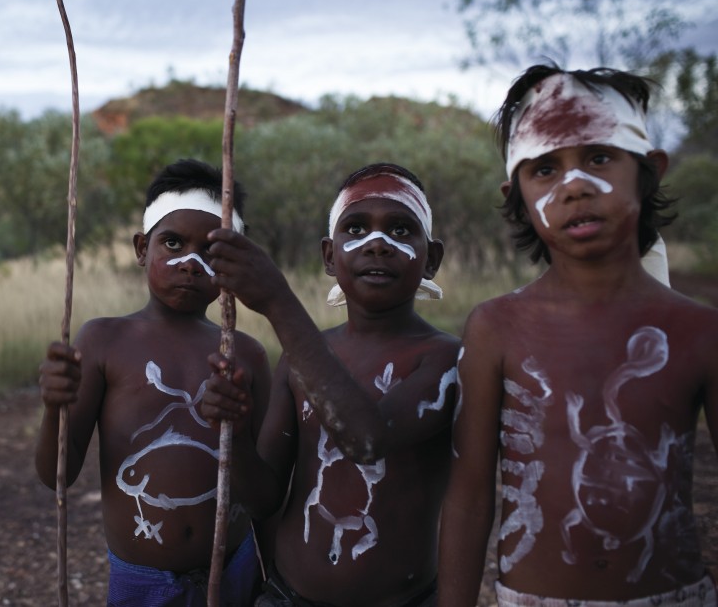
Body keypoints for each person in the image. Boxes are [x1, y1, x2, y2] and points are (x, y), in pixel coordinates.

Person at [437, 65, 718, 606]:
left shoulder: (699, 332)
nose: (575, 186)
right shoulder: (498, 328)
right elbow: (470, 493)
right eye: (545, 169)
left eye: (598, 157)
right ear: (516, 194)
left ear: (649, 171)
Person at [202, 162, 460, 607]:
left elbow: (366, 439)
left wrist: (278, 301)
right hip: (288, 596)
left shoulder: (446, 360)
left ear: (431, 259)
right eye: (356, 228)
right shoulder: (301, 359)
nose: (377, 244)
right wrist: (235, 431)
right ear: (329, 254)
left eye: (400, 230)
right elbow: (263, 497)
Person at [34, 158, 273, 606]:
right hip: (141, 586)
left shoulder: (246, 355)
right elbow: (56, 476)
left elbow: (266, 497)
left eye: (210, 251)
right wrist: (54, 407)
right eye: (173, 243)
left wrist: (237, 434)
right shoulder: (104, 341)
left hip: (235, 575)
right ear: (142, 248)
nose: (189, 263)